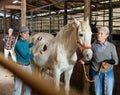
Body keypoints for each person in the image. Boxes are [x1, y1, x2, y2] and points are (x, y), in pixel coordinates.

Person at [80, 26, 118, 95]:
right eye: (98, 33)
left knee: (109, 93)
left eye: (101, 34)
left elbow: (115, 61)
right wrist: (85, 62)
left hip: (108, 72)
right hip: (96, 72)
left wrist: (107, 61)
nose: (99, 35)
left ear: (106, 36)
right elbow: (92, 61)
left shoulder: (111, 47)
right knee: (97, 93)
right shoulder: (93, 46)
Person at [13, 26, 47, 95]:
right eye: (25, 33)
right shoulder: (18, 44)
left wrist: (36, 41)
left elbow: (28, 46)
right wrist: (39, 53)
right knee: (18, 87)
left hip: (28, 66)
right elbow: (26, 56)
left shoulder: (25, 41)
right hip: (20, 67)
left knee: (28, 86)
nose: (27, 35)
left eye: (28, 33)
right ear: (20, 34)